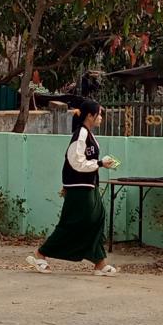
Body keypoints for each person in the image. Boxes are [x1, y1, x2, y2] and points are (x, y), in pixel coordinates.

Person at [27, 99, 121, 276]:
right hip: (79, 187)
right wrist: (99, 163)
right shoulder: (81, 135)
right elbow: (75, 161)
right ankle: (41, 254)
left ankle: (99, 262)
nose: (101, 117)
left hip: (89, 185)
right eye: (99, 114)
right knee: (74, 222)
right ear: (90, 116)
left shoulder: (88, 134)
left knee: (96, 218)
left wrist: (100, 164)